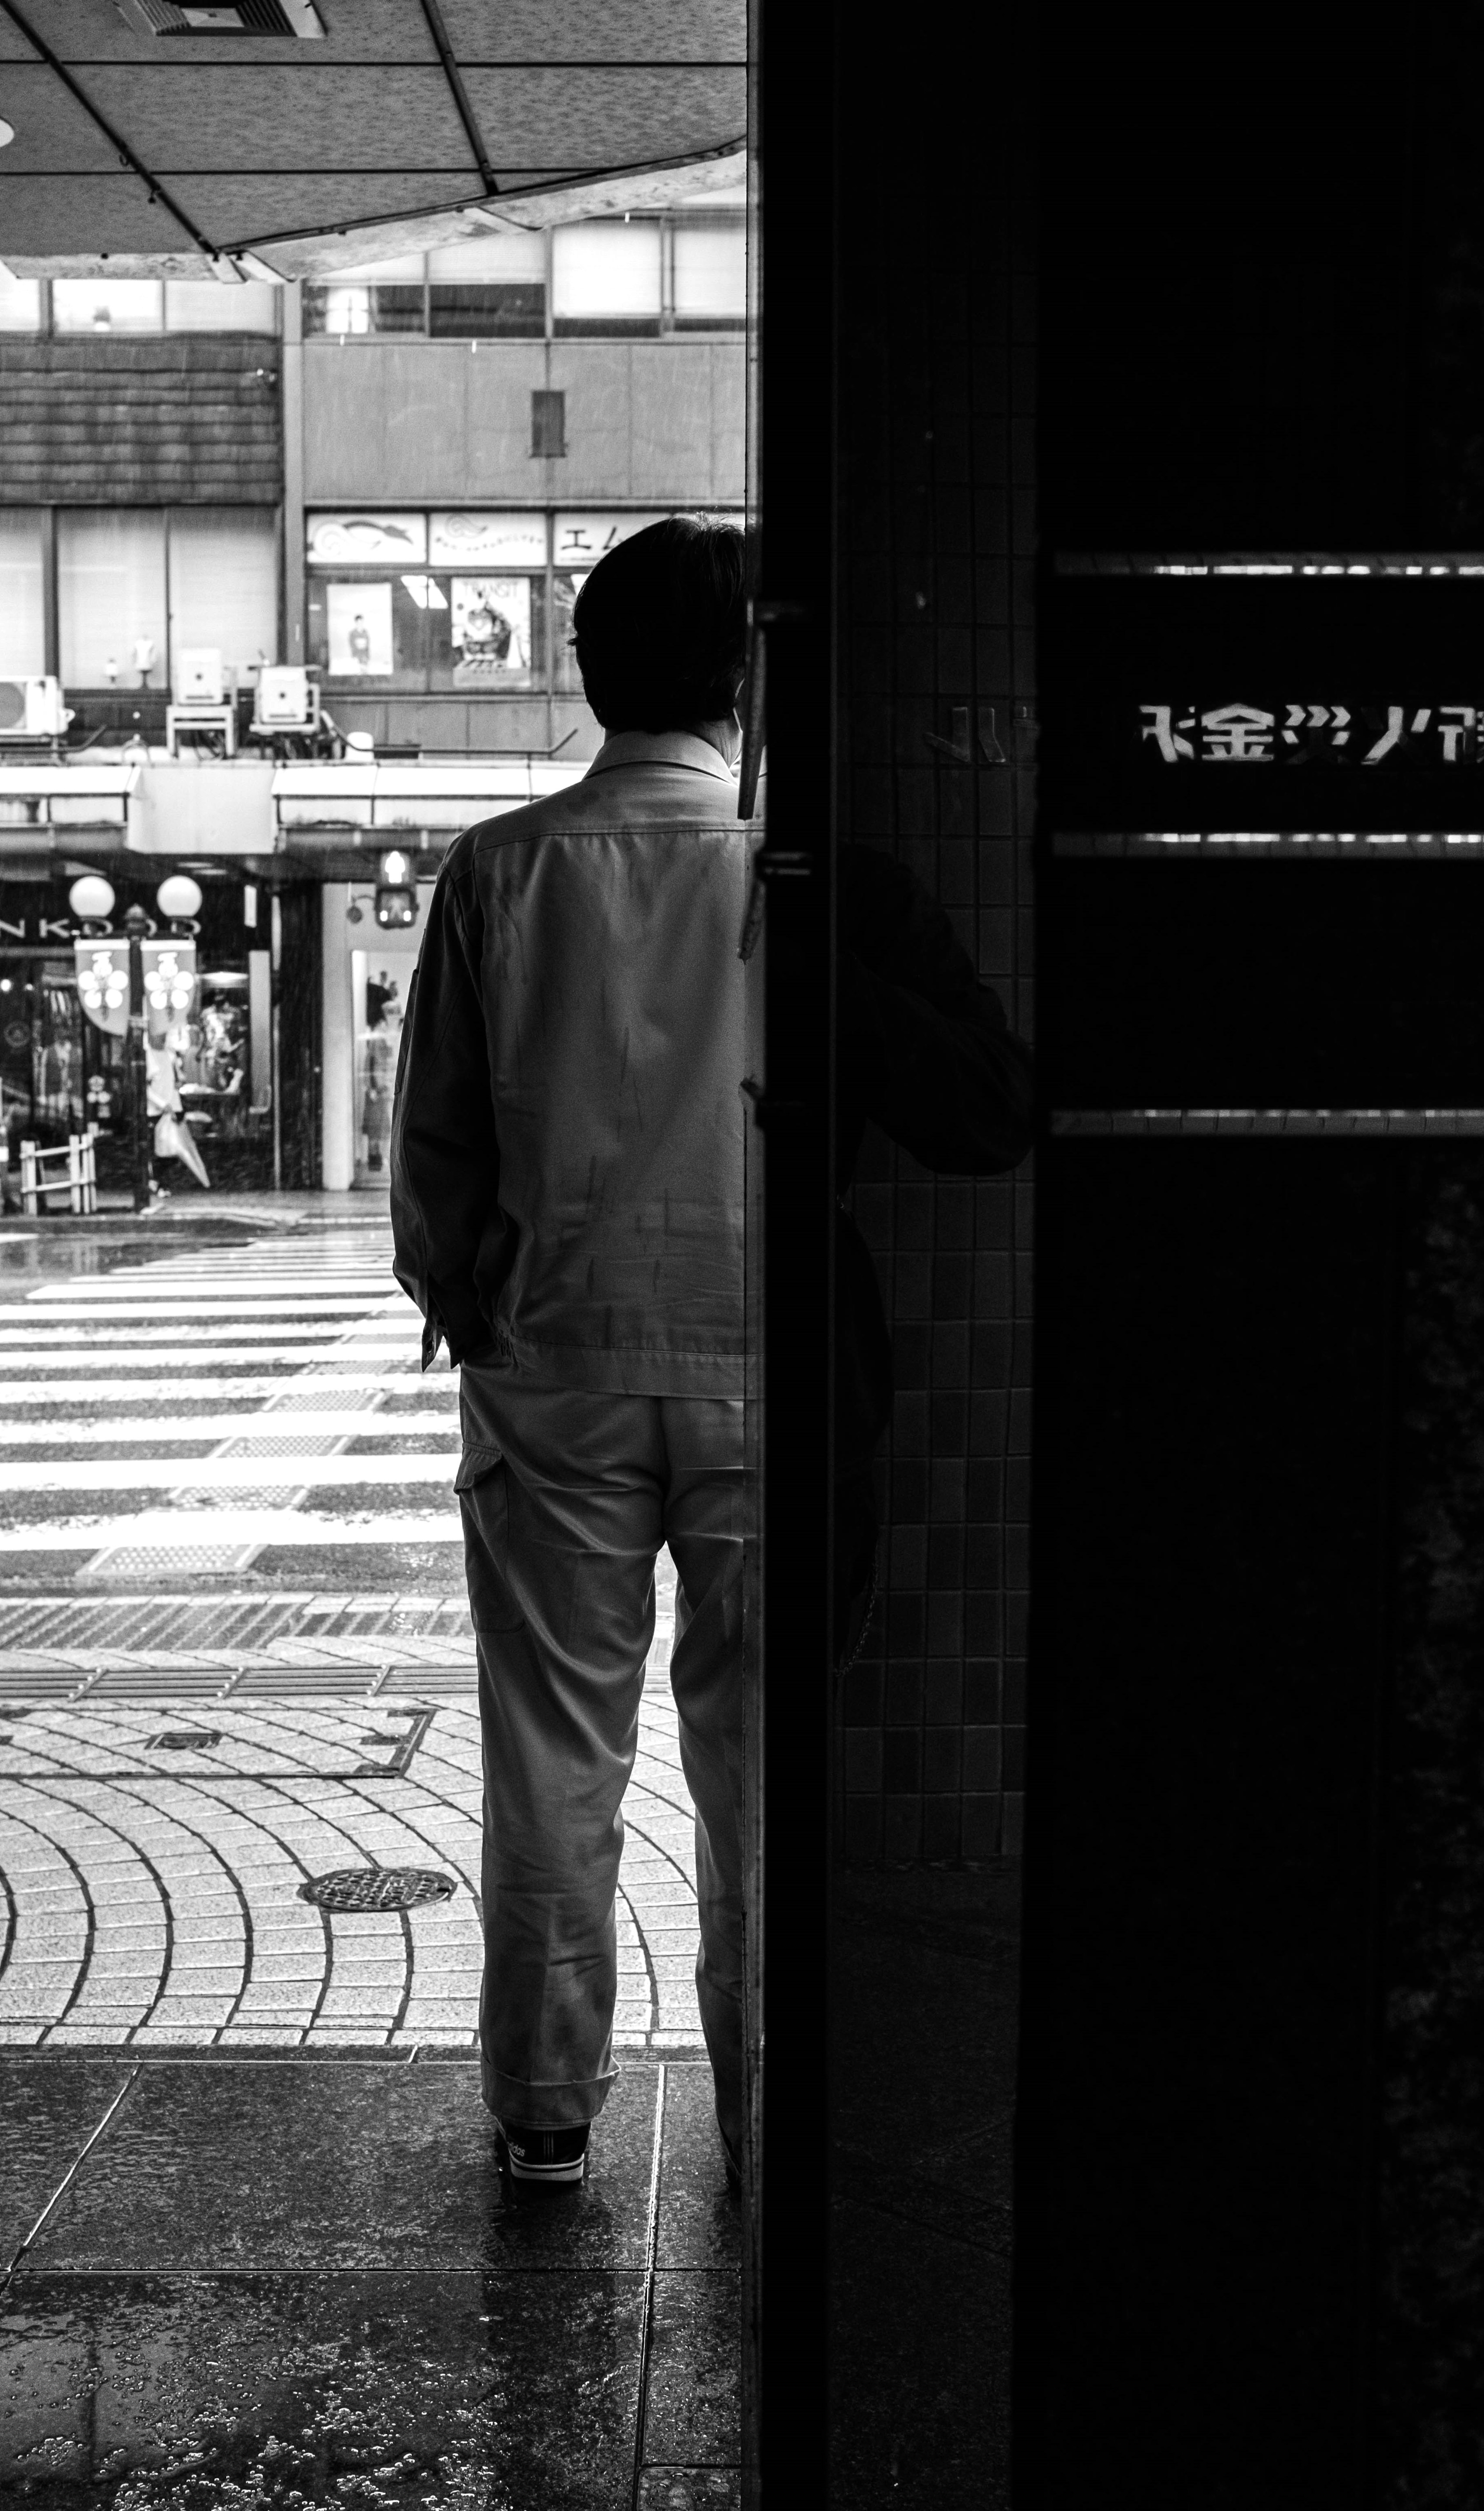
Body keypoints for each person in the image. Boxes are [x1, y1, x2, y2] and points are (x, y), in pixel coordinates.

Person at [391, 515, 754, 2187]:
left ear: (584, 674)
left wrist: (476, 1315)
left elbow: (439, 1155)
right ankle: (770, 2106)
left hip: (554, 1362)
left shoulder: (501, 867)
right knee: (759, 1758)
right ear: (747, 674)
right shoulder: (782, 863)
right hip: (761, 1358)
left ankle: (547, 2111)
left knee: (554, 1741)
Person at [833, 850, 1036, 1665]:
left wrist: (460, 1297)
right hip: (790, 1338)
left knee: (554, 1693)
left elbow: (994, 1107)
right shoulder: (839, 883)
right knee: (766, 1702)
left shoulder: (500, 865)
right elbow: (994, 1111)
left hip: (559, 1319)